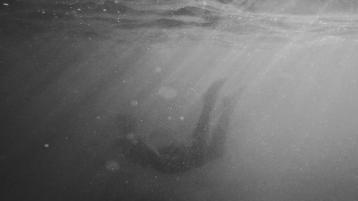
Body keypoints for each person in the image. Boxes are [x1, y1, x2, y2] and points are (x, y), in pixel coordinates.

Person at [115, 79, 239, 174]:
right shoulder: (157, 161)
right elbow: (158, 153)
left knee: (215, 149)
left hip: (195, 153)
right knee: (210, 140)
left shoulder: (157, 162)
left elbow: (155, 153)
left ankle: (221, 103)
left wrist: (133, 139)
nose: (138, 163)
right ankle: (219, 103)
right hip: (193, 152)